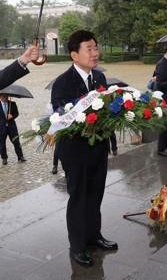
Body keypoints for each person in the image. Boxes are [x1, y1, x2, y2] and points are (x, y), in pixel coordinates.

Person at [51, 30, 117, 268]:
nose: (95, 52)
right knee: (79, 196)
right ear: (74, 55)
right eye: (89, 48)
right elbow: (62, 116)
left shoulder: (100, 78)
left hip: (98, 147)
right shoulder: (62, 83)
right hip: (75, 151)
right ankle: (78, 246)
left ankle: (94, 236)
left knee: (96, 193)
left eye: (96, 47)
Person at [0, 94, 25, 165]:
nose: (6, 98)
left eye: (6, 96)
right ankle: (4, 158)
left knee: (16, 141)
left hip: (12, 127)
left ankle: (20, 156)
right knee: (2, 144)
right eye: (4, 96)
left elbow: (17, 113)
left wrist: (12, 116)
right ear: (0, 97)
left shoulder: (12, 104)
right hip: (1, 128)